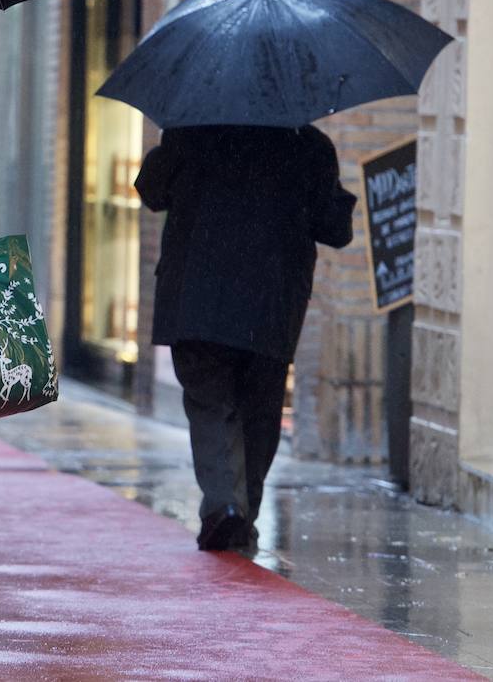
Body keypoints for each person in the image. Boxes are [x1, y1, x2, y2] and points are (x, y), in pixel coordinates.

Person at [135, 125, 356, 552]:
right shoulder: (309, 144)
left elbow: (152, 191)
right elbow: (335, 227)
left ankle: (225, 506)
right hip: (269, 301)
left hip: (198, 297)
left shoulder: (191, 131)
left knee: (210, 404)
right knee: (261, 412)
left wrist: (167, 149)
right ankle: (240, 514)